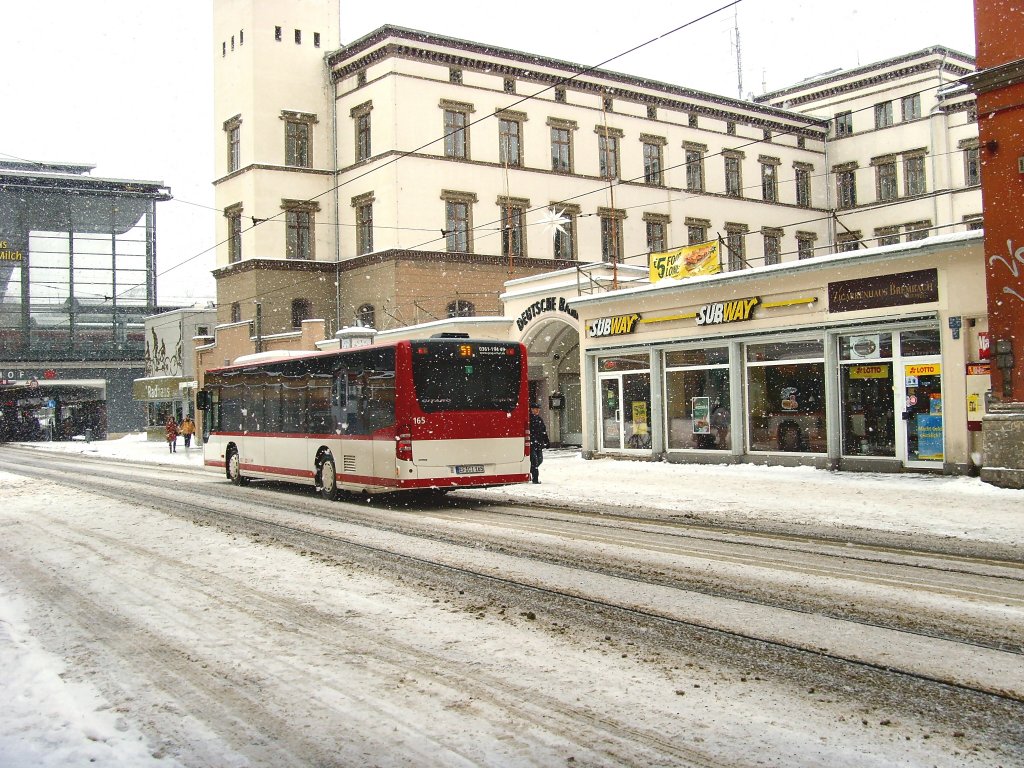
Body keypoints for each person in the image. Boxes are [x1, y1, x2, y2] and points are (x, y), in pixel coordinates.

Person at [529, 402, 549, 484]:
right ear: (531, 410)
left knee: (540, 460)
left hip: (538, 443)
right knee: (535, 461)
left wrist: (546, 441)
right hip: (531, 443)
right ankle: (535, 479)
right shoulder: (529, 419)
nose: (537, 411)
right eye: (535, 409)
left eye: (538, 409)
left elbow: (543, 431)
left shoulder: (539, 419)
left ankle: (530, 471)